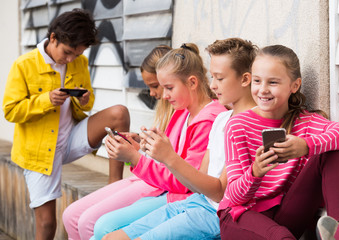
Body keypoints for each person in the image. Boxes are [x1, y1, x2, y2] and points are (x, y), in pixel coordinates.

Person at [101, 38, 258, 240]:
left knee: (108, 229)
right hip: (198, 202)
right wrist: (155, 149)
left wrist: (168, 157)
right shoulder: (222, 118)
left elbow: (219, 193)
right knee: (110, 237)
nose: (212, 85)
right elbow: (199, 182)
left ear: (245, 79)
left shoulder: (247, 125)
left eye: (219, 78)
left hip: (216, 214)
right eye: (212, 77)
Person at [1, 9, 131, 240]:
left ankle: (114, 186)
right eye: (67, 52)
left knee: (119, 113)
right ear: (53, 38)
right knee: (47, 223)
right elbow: (10, 111)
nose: (71, 59)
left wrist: (84, 99)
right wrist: (45, 100)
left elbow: (87, 103)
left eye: (77, 54)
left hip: (70, 138)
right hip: (40, 152)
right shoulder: (24, 65)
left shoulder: (78, 62)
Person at [218, 45, 339, 240]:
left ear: (294, 86)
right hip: (242, 216)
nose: (263, 89)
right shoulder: (237, 126)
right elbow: (235, 197)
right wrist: (255, 172)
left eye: (273, 82)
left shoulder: (306, 122)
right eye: (257, 81)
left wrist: (305, 146)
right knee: (282, 237)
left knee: (333, 149)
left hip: (284, 213)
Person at [62, 45, 175, 240]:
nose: (153, 93)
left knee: (90, 222)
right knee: (70, 215)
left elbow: (173, 163)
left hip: (158, 184)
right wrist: (140, 143)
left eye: (155, 86)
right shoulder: (168, 111)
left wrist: (135, 155)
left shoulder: (187, 112)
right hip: (146, 177)